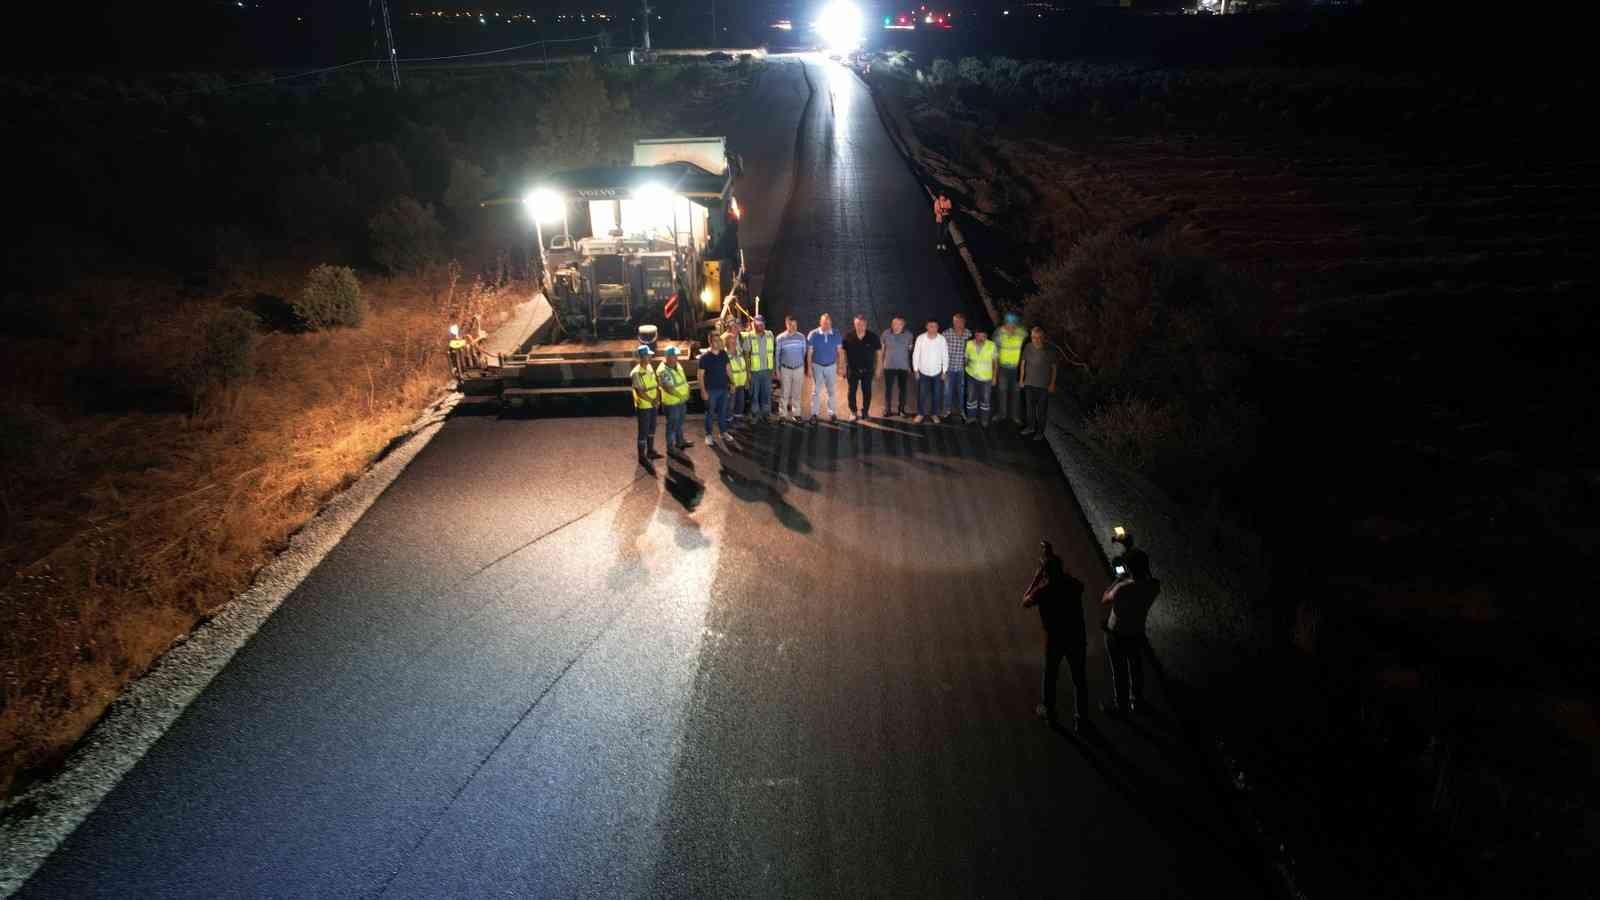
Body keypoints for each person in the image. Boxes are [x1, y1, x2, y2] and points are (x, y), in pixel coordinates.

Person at [1022, 539, 1088, 732]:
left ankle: (1050, 714)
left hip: (1055, 640)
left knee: (1051, 676)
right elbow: (1072, 581)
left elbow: (1024, 601)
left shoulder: (1043, 591)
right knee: (1079, 679)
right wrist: (1051, 562)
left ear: (1045, 573)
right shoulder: (1074, 585)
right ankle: (1081, 719)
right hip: (1076, 636)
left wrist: (1036, 577)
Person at [1101, 550, 1161, 716]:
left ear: (1128, 568)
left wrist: (1117, 580)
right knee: (1136, 667)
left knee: (1119, 671)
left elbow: (1105, 598)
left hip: (1117, 634)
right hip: (1136, 632)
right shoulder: (1155, 586)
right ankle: (1137, 700)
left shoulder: (1121, 588)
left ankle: (1121, 706)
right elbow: (1145, 581)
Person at [1018, 326, 1058, 440]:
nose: (1036, 340)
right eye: (1033, 337)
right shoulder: (1028, 347)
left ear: (1043, 338)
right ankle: (1030, 427)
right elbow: (1023, 364)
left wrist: (1052, 383)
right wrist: (1021, 379)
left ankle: (1040, 432)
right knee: (1029, 409)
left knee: (1041, 411)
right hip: (1029, 383)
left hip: (1043, 386)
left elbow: (1054, 368)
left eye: (1038, 337)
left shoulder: (1049, 351)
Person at [698, 334, 736, 448]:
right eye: (716, 341)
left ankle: (723, 432)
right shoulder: (705, 357)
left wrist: (733, 383)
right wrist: (703, 391)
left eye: (719, 340)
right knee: (710, 413)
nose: (719, 343)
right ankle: (709, 435)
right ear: (710, 342)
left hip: (723, 389)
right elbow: (700, 375)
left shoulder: (723, 354)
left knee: (722, 412)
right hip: (711, 391)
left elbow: (728, 369)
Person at [841, 314, 881, 422]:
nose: (860, 326)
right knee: (851, 392)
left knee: (867, 391)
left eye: (862, 324)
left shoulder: (873, 337)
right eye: (858, 324)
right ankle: (853, 412)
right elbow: (843, 353)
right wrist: (843, 367)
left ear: (866, 324)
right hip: (852, 370)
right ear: (855, 324)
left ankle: (865, 412)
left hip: (867, 370)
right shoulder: (848, 336)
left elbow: (879, 354)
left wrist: (878, 368)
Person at [656, 345, 694, 453]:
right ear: (668, 356)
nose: (677, 357)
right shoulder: (662, 371)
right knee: (672, 425)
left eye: (677, 355)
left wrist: (686, 391)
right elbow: (668, 388)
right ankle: (670, 447)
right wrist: (681, 395)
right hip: (672, 403)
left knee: (679, 423)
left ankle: (680, 441)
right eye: (675, 355)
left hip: (681, 400)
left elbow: (682, 380)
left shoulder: (676, 365)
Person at [806, 313, 843, 422]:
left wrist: (840, 366)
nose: (827, 325)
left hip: (831, 366)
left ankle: (832, 413)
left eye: (828, 323)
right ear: (820, 323)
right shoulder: (813, 334)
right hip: (817, 366)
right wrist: (808, 367)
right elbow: (809, 353)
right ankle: (814, 414)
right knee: (816, 391)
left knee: (831, 391)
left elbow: (840, 351)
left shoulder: (836, 333)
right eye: (824, 323)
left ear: (831, 323)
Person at [629, 345, 663, 467]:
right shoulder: (636, 373)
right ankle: (641, 456)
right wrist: (652, 400)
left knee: (652, 429)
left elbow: (655, 385)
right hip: (644, 406)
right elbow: (640, 392)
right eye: (648, 355)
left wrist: (657, 399)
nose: (651, 357)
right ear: (642, 357)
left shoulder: (649, 367)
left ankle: (650, 451)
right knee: (643, 431)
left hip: (653, 404)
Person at [993, 312, 1027, 427]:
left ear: (1016, 325)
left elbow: (1028, 332)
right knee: (1002, 391)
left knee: (1016, 393)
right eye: (1008, 324)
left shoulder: (1020, 334)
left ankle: (1015, 416)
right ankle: (1001, 414)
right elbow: (995, 352)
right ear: (1005, 324)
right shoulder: (999, 333)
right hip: (1003, 368)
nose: (1010, 327)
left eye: (1013, 325)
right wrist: (995, 371)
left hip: (1016, 369)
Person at [912, 318, 948, 423]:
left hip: (937, 372)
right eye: (931, 326)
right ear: (926, 327)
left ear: (938, 328)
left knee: (936, 395)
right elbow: (916, 354)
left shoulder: (942, 339)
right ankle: (920, 413)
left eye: (935, 326)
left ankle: (934, 414)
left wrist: (944, 371)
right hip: (923, 372)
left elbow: (945, 355)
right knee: (922, 394)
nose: (933, 328)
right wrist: (915, 370)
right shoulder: (920, 338)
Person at [742, 314, 776, 424]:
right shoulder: (749, 336)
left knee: (766, 394)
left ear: (764, 324)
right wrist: (748, 373)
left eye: (761, 324)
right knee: (754, 395)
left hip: (767, 371)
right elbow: (746, 356)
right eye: (756, 324)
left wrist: (773, 369)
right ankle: (755, 415)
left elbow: (772, 353)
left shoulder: (770, 334)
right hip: (755, 372)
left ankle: (766, 414)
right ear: (753, 325)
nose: (758, 327)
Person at [878, 315, 913, 417]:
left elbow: (910, 351)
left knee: (903, 389)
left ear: (903, 325)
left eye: (898, 324)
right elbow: (882, 350)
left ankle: (901, 410)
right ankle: (887, 409)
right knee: (888, 389)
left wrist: (909, 365)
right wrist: (880, 364)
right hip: (889, 366)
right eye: (894, 324)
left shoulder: (909, 335)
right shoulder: (886, 333)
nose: (895, 326)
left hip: (903, 366)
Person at [775, 315, 807, 421]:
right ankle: (782, 415)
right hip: (785, 369)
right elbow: (777, 355)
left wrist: (799, 364)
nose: (793, 327)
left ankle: (796, 414)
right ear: (786, 324)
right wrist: (777, 370)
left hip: (798, 368)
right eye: (791, 325)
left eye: (795, 325)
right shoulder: (780, 338)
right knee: (784, 393)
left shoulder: (801, 337)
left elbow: (804, 353)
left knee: (797, 393)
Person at [964, 328, 997, 426]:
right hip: (971, 376)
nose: (982, 338)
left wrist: (995, 377)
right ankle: (971, 418)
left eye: (984, 336)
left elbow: (995, 363)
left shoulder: (991, 345)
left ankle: (984, 420)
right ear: (975, 334)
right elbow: (966, 358)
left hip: (986, 378)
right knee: (970, 398)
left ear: (986, 336)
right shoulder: (969, 344)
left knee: (985, 399)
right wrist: (966, 366)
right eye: (980, 336)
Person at [943, 312, 970, 423]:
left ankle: (962, 411)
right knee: (947, 391)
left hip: (962, 369)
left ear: (964, 322)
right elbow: (941, 350)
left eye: (960, 322)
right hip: (949, 369)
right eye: (955, 322)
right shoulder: (946, 333)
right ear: (953, 322)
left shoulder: (969, 334)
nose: (957, 324)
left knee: (961, 391)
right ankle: (947, 411)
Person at [727, 330, 749, 422]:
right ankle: (728, 421)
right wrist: (731, 382)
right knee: (730, 404)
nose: (734, 343)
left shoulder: (739, 352)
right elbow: (726, 371)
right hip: (732, 384)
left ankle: (738, 418)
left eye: (734, 341)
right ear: (727, 343)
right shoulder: (725, 355)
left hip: (741, 383)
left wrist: (747, 379)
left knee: (740, 402)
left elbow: (744, 367)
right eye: (731, 341)